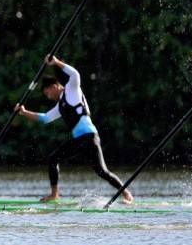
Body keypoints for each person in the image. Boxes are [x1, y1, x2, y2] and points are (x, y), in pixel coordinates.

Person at [16, 54, 134, 203]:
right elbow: (45, 118)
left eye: (48, 93)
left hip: (90, 137)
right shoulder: (60, 105)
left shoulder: (71, 91)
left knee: (102, 171)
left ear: (54, 86)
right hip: (79, 139)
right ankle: (54, 194)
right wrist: (24, 112)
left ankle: (126, 193)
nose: (48, 97)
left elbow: (75, 74)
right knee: (53, 158)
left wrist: (56, 62)